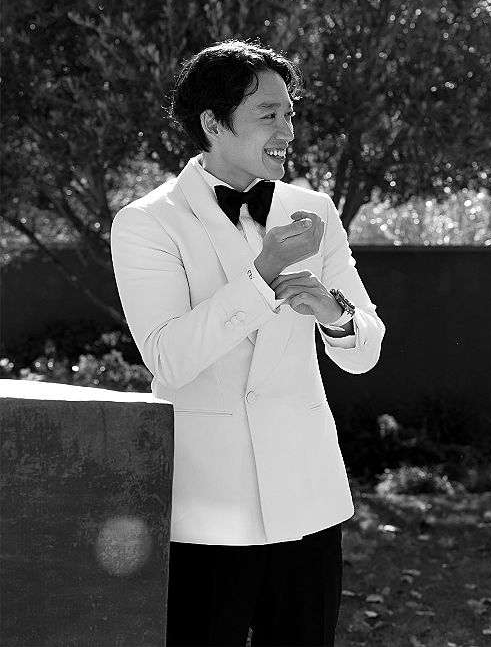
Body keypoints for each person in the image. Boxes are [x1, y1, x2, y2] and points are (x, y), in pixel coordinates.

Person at [111, 40, 385, 647]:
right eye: (269, 114)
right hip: (206, 508)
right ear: (213, 124)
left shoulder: (313, 211)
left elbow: (366, 346)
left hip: (307, 501)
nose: (287, 128)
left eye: (290, 112)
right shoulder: (147, 223)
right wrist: (263, 278)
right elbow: (168, 358)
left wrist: (336, 318)